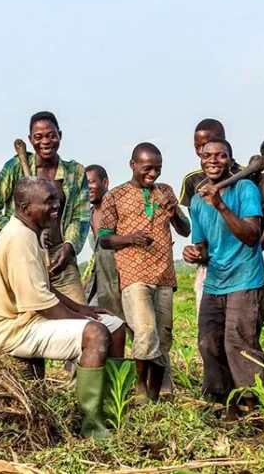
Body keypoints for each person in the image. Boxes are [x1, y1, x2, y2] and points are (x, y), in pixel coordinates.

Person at [0, 177, 126, 439]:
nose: (56, 205)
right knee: (95, 333)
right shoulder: (19, 240)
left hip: (32, 319)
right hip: (14, 329)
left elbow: (46, 288)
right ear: (26, 208)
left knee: (115, 326)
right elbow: (41, 303)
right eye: (48, 201)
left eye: (56, 199)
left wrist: (83, 311)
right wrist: (85, 322)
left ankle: (111, 409)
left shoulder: (31, 232)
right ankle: (91, 425)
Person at [182, 138, 264, 419]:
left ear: (231, 161)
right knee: (209, 343)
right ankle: (228, 409)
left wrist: (220, 205)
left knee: (238, 343)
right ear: (201, 160)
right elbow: (204, 245)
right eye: (208, 156)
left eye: (220, 156)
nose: (213, 161)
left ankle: (255, 411)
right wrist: (195, 253)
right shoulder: (197, 199)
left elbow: (251, 234)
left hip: (245, 280)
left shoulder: (245, 189)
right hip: (215, 280)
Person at [99, 143, 191, 402]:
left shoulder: (166, 192)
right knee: (145, 330)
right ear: (133, 165)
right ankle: (140, 388)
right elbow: (105, 239)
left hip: (164, 275)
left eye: (158, 168)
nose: (153, 174)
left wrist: (174, 214)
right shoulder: (115, 196)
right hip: (133, 274)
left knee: (163, 336)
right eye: (148, 168)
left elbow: (185, 230)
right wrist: (130, 238)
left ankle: (157, 390)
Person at [0, 111, 89, 303]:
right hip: (23, 255)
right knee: (30, 318)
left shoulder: (75, 172)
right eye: (39, 137)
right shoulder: (15, 167)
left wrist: (68, 247)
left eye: (51, 135)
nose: (46, 141)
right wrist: (26, 234)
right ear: (31, 140)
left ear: (60, 136)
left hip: (60, 259)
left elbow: (80, 217)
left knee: (82, 318)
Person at [179, 119, 237, 312]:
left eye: (208, 143)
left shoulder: (246, 175)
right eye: (199, 147)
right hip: (209, 264)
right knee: (208, 325)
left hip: (240, 263)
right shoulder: (193, 181)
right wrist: (197, 251)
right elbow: (199, 230)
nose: (204, 151)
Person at [83, 164, 129, 352]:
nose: (88, 188)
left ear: (105, 182)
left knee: (132, 327)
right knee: (95, 324)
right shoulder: (88, 214)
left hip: (121, 279)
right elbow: (97, 252)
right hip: (99, 282)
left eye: (91, 182)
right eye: (83, 185)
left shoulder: (120, 208)